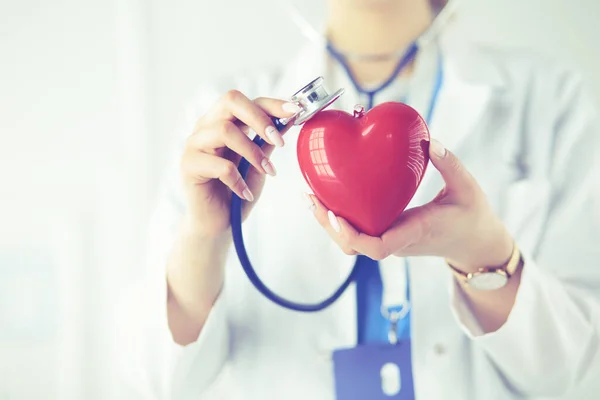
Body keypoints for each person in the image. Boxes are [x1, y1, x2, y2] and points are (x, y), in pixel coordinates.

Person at [115, 0, 600, 399]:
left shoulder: (551, 99)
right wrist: (206, 236)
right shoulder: (225, 119)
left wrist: (487, 256)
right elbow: (161, 380)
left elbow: (571, 373)